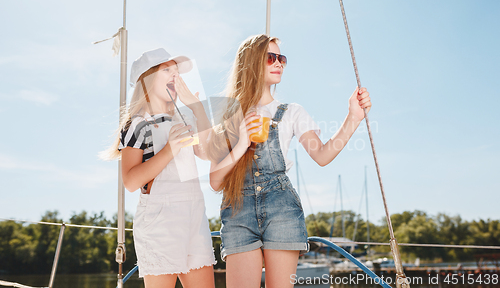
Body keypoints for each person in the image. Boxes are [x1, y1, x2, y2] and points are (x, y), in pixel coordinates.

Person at [207, 34, 371, 288]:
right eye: (270, 58)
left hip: (281, 209)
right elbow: (215, 181)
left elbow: (322, 155)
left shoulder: (292, 112)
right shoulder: (228, 116)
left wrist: (353, 118)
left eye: (281, 58)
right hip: (238, 211)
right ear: (251, 63)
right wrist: (241, 143)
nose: (279, 63)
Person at [101, 48, 216, 288]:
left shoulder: (186, 117)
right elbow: (131, 182)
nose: (175, 76)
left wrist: (198, 108)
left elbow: (207, 153)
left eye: (176, 71)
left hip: (194, 215)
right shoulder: (137, 124)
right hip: (160, 222)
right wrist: (168, 151)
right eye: (167, 70)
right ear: (148, 78)